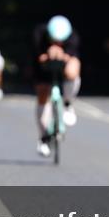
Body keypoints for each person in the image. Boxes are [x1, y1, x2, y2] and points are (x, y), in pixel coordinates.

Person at [33, 15, 82, 157]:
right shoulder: (39, 35)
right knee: (42, 93)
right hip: (44, 67)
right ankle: (43, 137)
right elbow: (36, 56)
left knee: (73, 71)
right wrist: (45, 56)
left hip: (63, 65)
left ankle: (68, 103)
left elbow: (72, 56)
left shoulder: (72, 37)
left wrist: (64, 55)